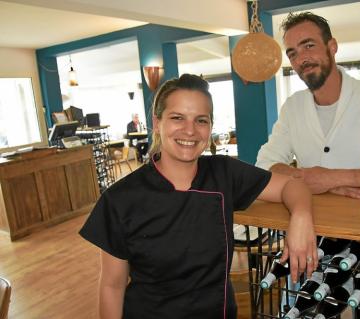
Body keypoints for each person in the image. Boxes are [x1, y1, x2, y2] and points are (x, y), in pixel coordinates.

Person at [79, 74, 318, 319]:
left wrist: (301, 216)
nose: (190, 130)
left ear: (210, 127)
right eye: (177, 118)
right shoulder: (120, 199)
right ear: (157, 122)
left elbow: (291, 185)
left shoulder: (224, 173)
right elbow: (112, 286)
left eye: (201, 120)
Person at [256, 12, 360, 198]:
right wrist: (311, 180)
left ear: (332, 47)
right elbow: (264, 165)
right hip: (308, 221)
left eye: (309, 46)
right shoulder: (293, 107)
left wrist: (335, 178)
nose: (301, 59)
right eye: (292, 54)